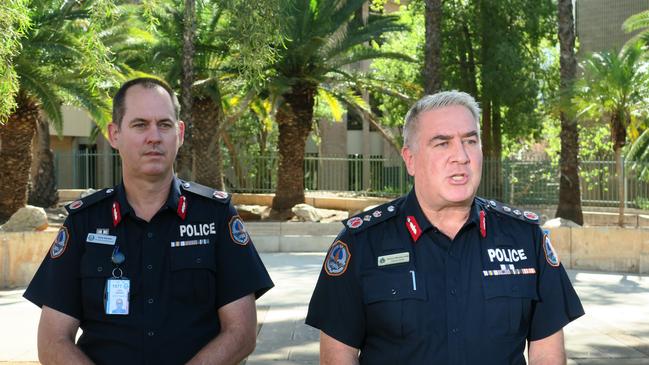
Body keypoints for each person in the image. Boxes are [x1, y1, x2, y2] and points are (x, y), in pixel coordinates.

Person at [306, 91, 584, 365]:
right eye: (442, 143)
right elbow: (337, 357)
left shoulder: (525, 239)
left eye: (470, 141)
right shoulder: (361, 243)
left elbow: (547, 355)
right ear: (410, 159)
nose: (461, 156)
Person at [24, 77, 274, 365]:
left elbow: (241, 332)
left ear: (179, 133)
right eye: (140, 124)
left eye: (164, 125)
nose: (154, 136)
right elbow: (52, 340)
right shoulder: (84, 222)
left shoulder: (215, 216)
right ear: (114, 134)